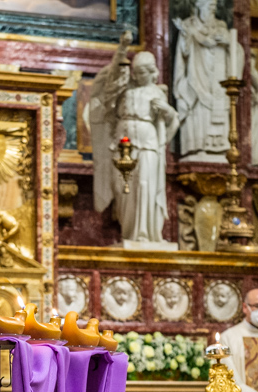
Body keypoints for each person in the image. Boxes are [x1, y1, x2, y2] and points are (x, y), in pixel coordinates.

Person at [91, 31, 180, 244]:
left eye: (143, 72)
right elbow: (113, 75)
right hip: (125, 142)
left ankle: (146, 233)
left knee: (145, 183)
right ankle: (129, 232)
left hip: (148, 142)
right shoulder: (125, 90)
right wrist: (122, 49)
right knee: (125, 188)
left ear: (151, 73)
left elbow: (172, 120)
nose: (138, 76)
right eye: (136, 72)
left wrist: (166, 111)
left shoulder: (158, 93)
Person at [172, 0, 243, 161]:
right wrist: (185, 35)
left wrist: (228, 42)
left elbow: (237, 51)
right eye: (209, 6)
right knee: (198, 110)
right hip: (197, 76)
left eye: (214, 7)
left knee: (218, 107)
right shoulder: (189, 25)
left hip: (218, 81)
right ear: (200, 6)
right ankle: (197, 147)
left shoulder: (221, 26)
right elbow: (182, 52)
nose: (212, 10)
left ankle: (219, 148)